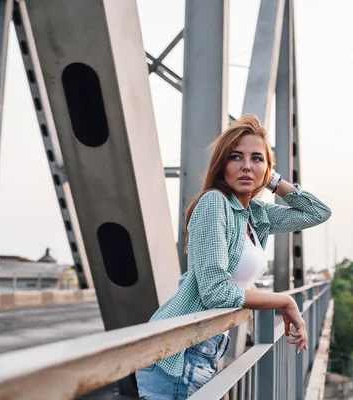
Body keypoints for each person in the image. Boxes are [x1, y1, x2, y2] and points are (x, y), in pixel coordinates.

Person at [136, 115, 331, 400]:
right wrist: (285, 301)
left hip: (206, 350)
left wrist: (273, 180)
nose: (246, 166)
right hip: (178, 358)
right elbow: (215, 292)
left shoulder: (256, 214)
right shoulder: (214, 203)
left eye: (257, 159)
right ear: (221, 165)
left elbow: (318, 213)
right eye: (235, 157)